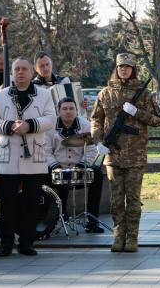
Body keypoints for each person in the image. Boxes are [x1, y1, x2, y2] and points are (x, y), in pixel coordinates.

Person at [91, 53, 160, 253]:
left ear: (133, 69)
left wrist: (137, 113)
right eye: (121, 66)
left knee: (133, 199)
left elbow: (158, 120)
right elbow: (96, 119)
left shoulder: (144, 93)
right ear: (116, 68)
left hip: (135, 156)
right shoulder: (105, 93)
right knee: (116, 200)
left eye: (128, 66)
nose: (124, 69)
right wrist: (97, 141)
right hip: (113, 155)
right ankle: (118, 237)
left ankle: (132, 238)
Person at [0, 57, 56, 257]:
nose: (21, 72)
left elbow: (51, 119)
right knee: (6, 203)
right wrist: (9, 126)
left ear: (31, 73)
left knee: (31, 203)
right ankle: (6, 242)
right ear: (12, 73)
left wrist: (30, 125)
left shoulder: (44, 95)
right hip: (8, 157)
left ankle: (26, 242)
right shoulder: (1, 96)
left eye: (25, 69)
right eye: (17, 69)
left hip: (34, 156)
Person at [44, 97, 103, 233]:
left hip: (80, 167)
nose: (68, 112)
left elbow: (92, 149)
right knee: (40, 177)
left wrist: (80, 167)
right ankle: (49, 217)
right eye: (64, 109)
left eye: (71, 109)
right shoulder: (49, 127)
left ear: (77, 111)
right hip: (56, 169)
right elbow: (46, 151)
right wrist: (56, 168)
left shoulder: (86, 125)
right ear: (58, 111)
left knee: (98, 175)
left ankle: (93, 220)